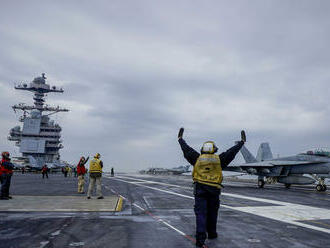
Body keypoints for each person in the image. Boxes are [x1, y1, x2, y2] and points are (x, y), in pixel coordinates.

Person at [177, 128, 246, 247]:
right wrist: (241, 143)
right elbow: (231, 152)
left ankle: (200, 239)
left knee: (201, 213)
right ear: (214, 150)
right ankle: (212, 233)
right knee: (213, 213)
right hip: (214, 190)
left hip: (200, 190)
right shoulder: (219, 159)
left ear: (203, 149)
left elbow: (186, 149)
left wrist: (180, 140)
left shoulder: (197, 158)